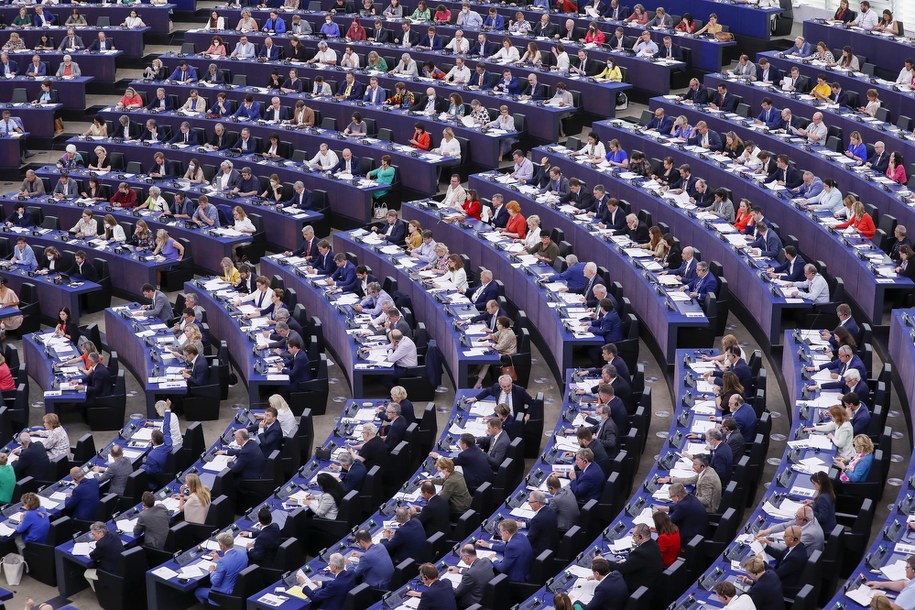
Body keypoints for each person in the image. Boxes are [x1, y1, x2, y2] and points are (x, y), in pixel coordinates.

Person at [606, 523, 664, 593]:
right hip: (652, 581)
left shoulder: (640, 553)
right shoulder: (654, 544)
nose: (633, 538)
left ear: (641, 537)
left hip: (637, 587)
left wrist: (604, 562)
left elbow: (621, 569)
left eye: (634, 536)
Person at [194, 531, 248, 605]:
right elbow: (232, 563)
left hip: (224, 594)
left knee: (198, 591)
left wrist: (211, 571)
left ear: (222, 546)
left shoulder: (223, 562)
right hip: (239, 589)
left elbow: (215, 582)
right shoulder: (242, 552)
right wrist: (219, 559)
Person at [84, 522, 123, 592]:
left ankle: (100, 593)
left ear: (101, 533)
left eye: (94, 534)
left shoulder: (101, 544)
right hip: (121, 566)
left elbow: (92, 556)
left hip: (111, 572)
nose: (93, 537)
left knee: (87, 573)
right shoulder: (114, 535)